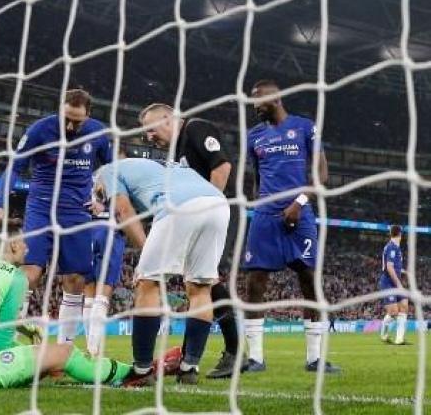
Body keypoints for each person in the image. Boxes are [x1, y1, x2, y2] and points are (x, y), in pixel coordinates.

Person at [0, 218, 136, 390]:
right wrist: (42, 358)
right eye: (22, 243)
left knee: (43, 357)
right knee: (65, 353)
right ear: (11, 245)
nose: (27, 248)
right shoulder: (14, 276)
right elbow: (0, 347)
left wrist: (23, 331)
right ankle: (134, 372)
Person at [0, 89, 112, 344]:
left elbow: (113, 171)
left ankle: (63, 348)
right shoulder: (39, 130)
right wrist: (0, 204)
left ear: (88, 115)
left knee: (75, 278)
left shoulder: (99, 133)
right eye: (66, 117)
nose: (70, 125)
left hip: (77, 212)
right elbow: (15, 166)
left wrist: (103, 200)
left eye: (77, 121)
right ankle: (4, 343)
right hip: (41, 208)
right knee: (29, 272)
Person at [95, 157, 229, 386]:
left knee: (148, 282)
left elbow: (124, 212)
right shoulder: (165, 165)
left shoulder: (107, 172)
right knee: (200, 288)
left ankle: (142, 370)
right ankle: (189, 368)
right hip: (219, 205)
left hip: (178, 206)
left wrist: (146, 254)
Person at [139, 103, 243, 378]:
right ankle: (192, 358)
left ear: (168, 118)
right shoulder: (175, 152)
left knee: (205, 280)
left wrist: (208, 207)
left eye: (151, 129)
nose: (149, 137)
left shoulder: (196, 128)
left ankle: (234, 351)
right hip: (197, 215)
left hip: (216, 212)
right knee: (198, 281)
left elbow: (222, 167)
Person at [243, 79, 339, 373]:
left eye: (257, 100)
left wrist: (298, 202)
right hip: (265, 217)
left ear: (276, 97)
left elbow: (321, 174)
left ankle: (314, 359)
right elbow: (258, 178)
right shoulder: (254, 135)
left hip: (301, 214)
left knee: (309, 279)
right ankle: (255, 358)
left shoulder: (305, 126)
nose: (254, 106)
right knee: (254, 283)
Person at [83, 201, 126, 356]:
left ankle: (91, 347)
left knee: (89, 294)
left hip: (84, 228)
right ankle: (93, 351)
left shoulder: (83, 176)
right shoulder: (116, 176)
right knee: (102, 295)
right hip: (109, 227)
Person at [379, 225, 408, 345]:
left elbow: (395, 267)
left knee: (404, 306)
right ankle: (384, 334)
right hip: (388, 283)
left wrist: (404, 271)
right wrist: (398, 284)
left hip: (395, 281)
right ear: (400, 234)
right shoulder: (391, 247)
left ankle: (399, 339)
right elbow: (389, 268)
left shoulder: (396, 248)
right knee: (393, 312)